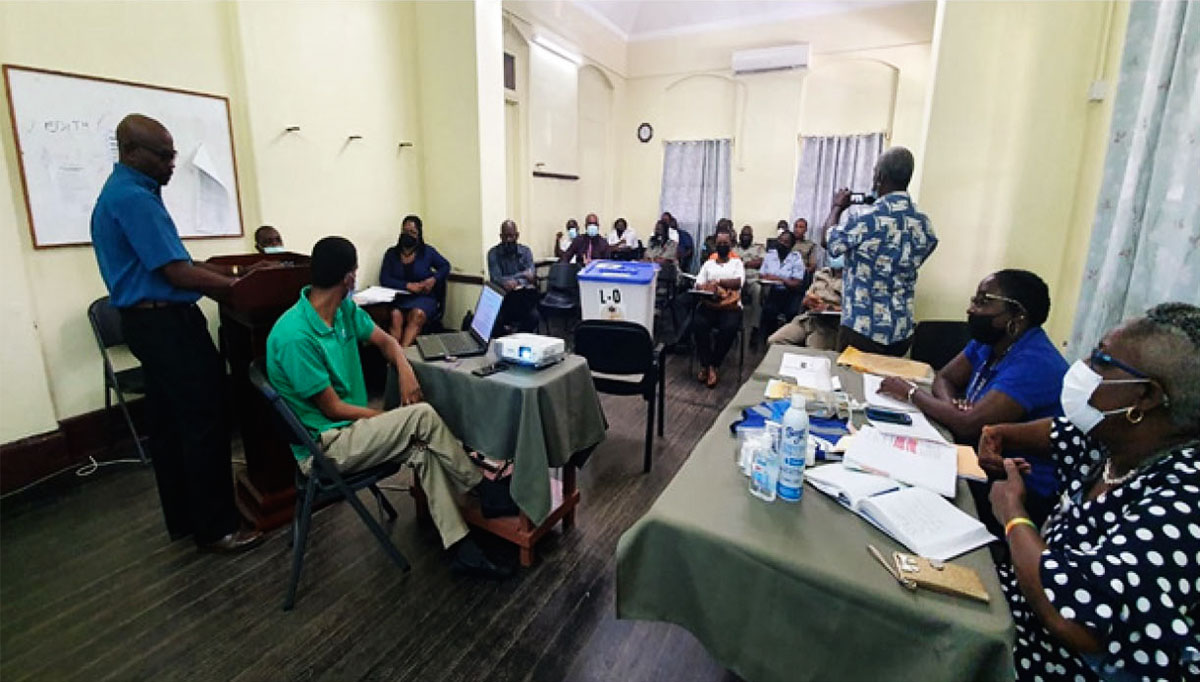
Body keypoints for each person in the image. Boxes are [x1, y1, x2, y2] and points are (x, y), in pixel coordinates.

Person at [266, 237, 511, 579]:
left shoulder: (343, 311)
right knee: (421, 416)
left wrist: (405, 369)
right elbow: (333, 409)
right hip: (325, 448)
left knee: (423, 450)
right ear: (349, 278)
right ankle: (482, 488)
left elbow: (386, 342)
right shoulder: (295, 336)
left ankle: (462, 548)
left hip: (352, 432)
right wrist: (388, 419)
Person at [983, 302, 1199, 682]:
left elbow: (1078, 621)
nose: (1083, 367)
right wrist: (1001, 434)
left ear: (1145, 397)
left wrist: (1013, 514)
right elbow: (1059, 433)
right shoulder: (1114, 439)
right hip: (1014, 618)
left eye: (1101, 360)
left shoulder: (1184, 499)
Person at [90, 114, 263, 553]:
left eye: (172, 154)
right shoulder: (135, 198)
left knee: (169, 425)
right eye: (163, 155)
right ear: (131, 151)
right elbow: (177, 274)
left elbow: (179, 261)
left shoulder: (125, 192)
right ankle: (218, 527)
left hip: (147, 325)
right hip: (167, 325)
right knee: (205, 421)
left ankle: (186, 519)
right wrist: (240, 287)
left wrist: (235, 273)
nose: (172, 164)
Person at [878, 270, 1068, 527]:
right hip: (975, 456)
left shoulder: (1036, 362)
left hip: (1018, 486)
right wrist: (952, 408)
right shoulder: (991, 341)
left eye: (983, 302)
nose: (971, 309)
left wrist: (911, 393)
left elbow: (968, 425)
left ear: (1018, 315)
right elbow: (945, 378)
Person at [823, 147, 937, 356]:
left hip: (862, 330)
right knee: (888, 377)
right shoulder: (924, 223)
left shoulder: (866, 218)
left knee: (852, 377)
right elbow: (927, 249)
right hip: (901, 331)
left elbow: (828, 242)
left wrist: (837, 207)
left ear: (880, 177)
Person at [380, 214, 450, 346]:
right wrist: (407, 285)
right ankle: (395, 353)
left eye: (412, 232)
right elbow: (385, 279)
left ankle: (403, 353)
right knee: (395, 316)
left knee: (417, 315)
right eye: (405, 231)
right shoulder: (391, 254)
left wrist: (433, 279)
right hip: (400, 298)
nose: (408, 235)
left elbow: (445, 266)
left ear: (419, 234)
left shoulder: (427, 252)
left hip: (424, 298)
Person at [690, 230, 744, 389]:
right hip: (710, 304)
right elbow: (698, 284)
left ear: (731, 245)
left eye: (725, 243)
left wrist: (718, 282)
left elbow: (738, 283)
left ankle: (713, 365)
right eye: (719, 243)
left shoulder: (737, 263)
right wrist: (707, 287)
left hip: (730, 306)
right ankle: (707, 365)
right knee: (698, 324)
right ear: (715, 245)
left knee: (729, 328)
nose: (722, 246)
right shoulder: (708, 264)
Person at [767, 254, 844, 349]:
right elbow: (807, 297)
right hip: (808, 319)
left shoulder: (853, 279)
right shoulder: (822, 273)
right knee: (775, 342)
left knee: (813, 353)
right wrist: (808, 301)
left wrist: (829, 308)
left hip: (831, 325)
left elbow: (854, 310)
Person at [486, 219, 539, 333]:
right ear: (501, 236)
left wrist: (516, 281)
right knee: (496, 322)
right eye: (505, 236)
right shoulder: (493, 253)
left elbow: (532, 275)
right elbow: (497, 278)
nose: (508, 240)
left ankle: (519, 337)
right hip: (503, 300)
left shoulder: (526, 251)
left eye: (511, 236)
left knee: (534, 317)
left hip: (523, 299)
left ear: (517, 235)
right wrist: (523, 275)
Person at [756, 230, 806, 340]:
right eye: (780, 240)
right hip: (773, 291)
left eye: (786, 242)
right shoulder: (770, 255)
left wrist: (779, 279)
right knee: (768, 312)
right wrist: (784, 279)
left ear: (791, 245)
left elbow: (796, 282)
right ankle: (766, 340)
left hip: (790, 293)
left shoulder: (796, 258)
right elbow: (762, 275)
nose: (782, 244)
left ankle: (786, 339)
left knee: (792, 313)